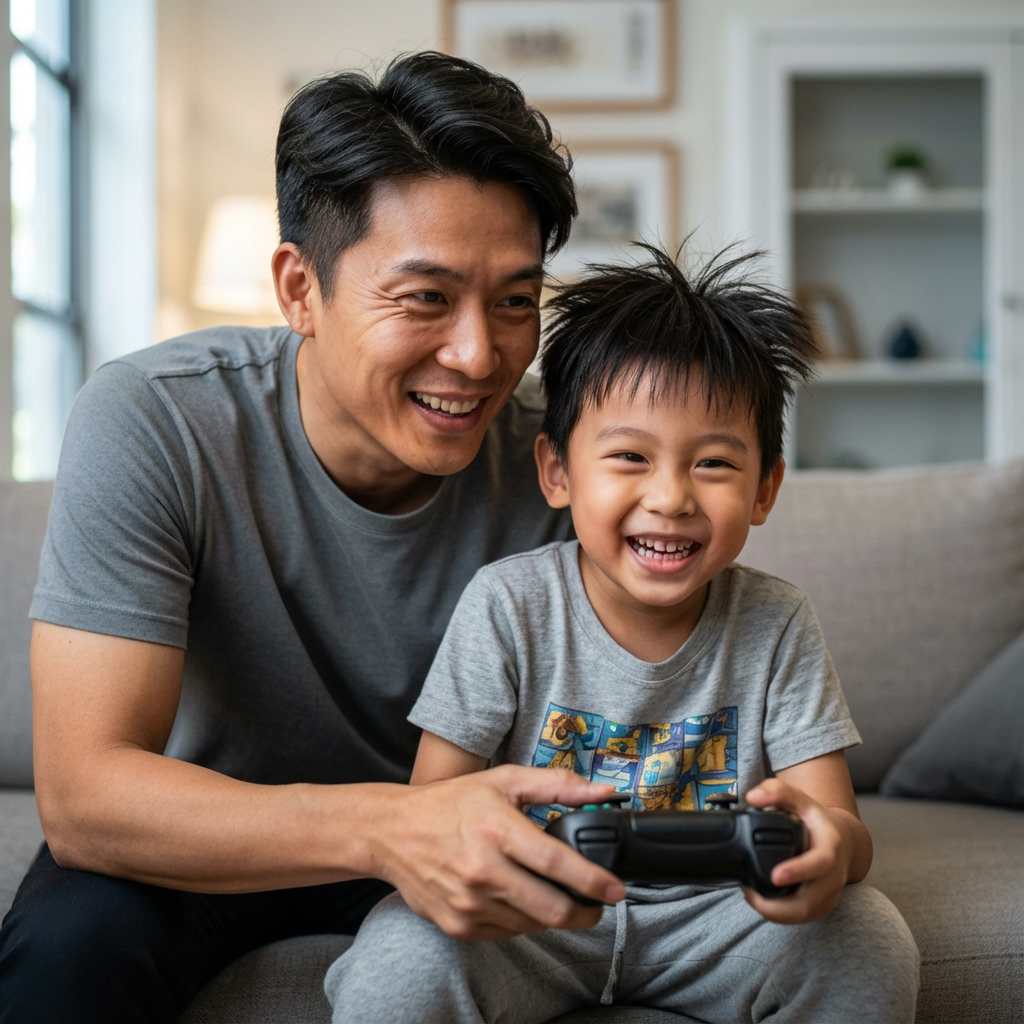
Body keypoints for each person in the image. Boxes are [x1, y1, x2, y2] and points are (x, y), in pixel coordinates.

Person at [0, 53, 631, 1024]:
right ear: (300, 288)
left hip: (473, 837)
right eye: (424, 298)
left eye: (514, 301)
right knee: (66, 954)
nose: (479, 354)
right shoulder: (156, 419)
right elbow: (85, 795)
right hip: (214, 834)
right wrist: (389, 828)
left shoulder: (564, 461)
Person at [323, 247, 921, 1023]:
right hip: (534, 917)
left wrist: (831, 852)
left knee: (868, 937)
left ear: (766, 487)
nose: (670, 497)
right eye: (630, 457)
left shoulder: (778, 621)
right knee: (404, 954)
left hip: (720, 921)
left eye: (713, 463)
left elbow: (839, 826)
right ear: (558, 472)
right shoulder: (509, 605)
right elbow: (434, 807)